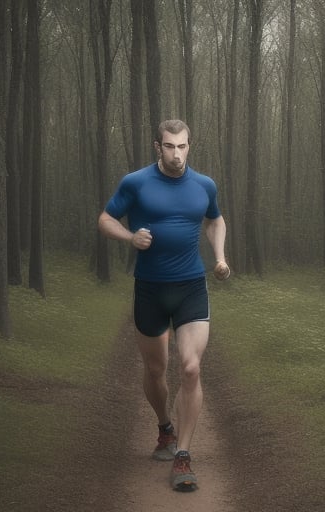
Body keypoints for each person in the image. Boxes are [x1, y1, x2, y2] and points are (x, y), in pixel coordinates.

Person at [98, 119, 230, 492]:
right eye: (169, 146)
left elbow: (215, 220)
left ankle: (183, 456)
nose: (177, 154)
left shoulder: (204, 185)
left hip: (191, 287)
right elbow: (105, 219)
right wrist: (130, 236)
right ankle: (164, 428)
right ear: (157, 147)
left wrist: (220, 256)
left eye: (183, 146)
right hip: (150, 290)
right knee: (157, 369)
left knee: (190, 368)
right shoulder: (135, 183)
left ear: (191, 145)